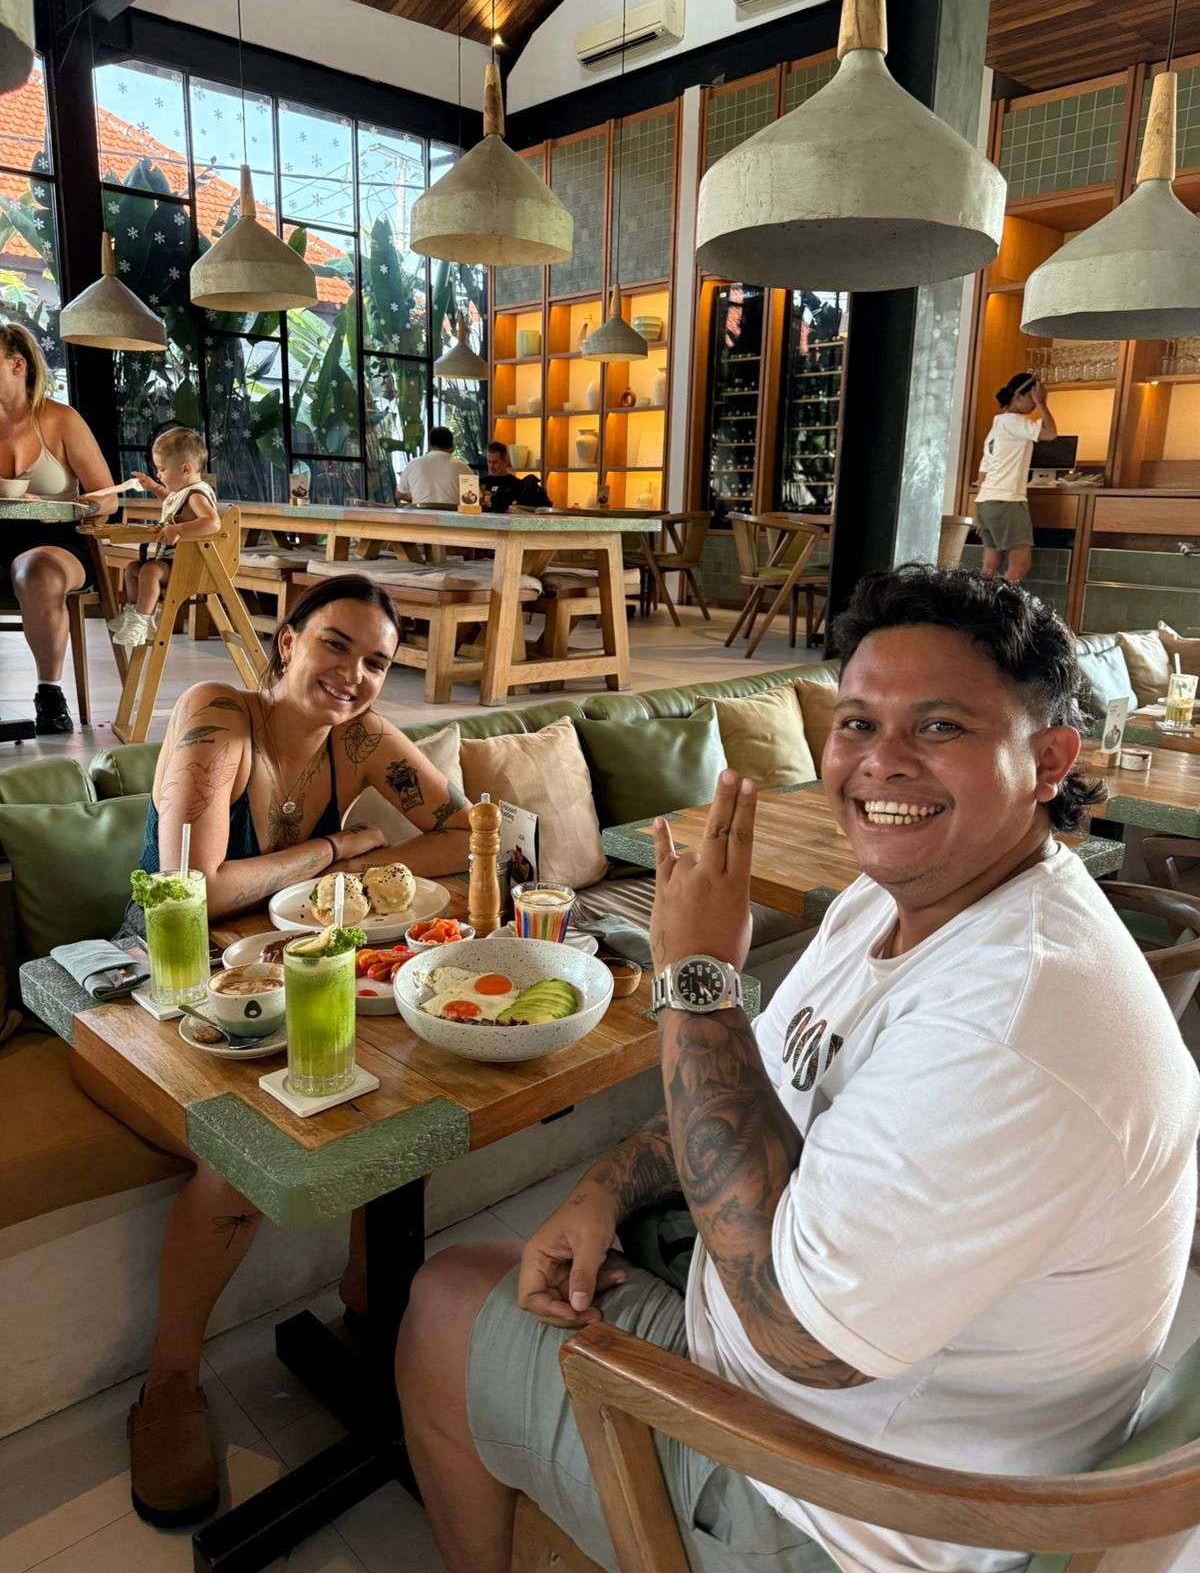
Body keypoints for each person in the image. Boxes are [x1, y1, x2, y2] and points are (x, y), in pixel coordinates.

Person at [397, 565, 1199, 1573]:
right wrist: (603, 1186)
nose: (881, 762)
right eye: (858, 723)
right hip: (833, 1386)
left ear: (1047, 762)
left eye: (940, 726)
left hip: (842, 1508)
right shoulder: (900, 898)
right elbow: (756, 1093)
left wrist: (695, 980)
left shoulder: (1013, 1021)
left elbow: (795, 1340)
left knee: (442, 1304)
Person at [87, 575, 470, 1527]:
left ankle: (369, 1294)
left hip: (283, 978)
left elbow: (465, 833)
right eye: (335, 644)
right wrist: (335, 853)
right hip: (159, 983)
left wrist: (362, 862)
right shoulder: (219, 715)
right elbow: (193, 885)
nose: (354, 675)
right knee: (239, 1166)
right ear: (287, 642)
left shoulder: (363, 739)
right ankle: (170, 1383)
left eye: (377, 661)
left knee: (406, 1082)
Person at [0, 322, 115, 732]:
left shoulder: (62, 420)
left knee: (37, 570)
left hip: (58, 543)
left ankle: (49, 695)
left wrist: (60, 507)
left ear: (17, 366)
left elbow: (108, 498)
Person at [107, 426, 220, 648]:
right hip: (173, 562)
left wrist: (178, 530)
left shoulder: (197, 495)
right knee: (132, 569)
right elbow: (171, 500)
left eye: (161, 469)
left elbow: (213, 522)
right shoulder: (185, 493)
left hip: (190, 564)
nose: (158, 474)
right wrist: (153, 487)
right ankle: (133, 614)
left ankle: (142, 620)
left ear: (185, 469)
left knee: (149, 571)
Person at [974, 371, 1057, 585]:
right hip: (1007, 501)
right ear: (1018, 396)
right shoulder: (1015, 422)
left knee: (989, 567)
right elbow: (1050, 433)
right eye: (1031, 396)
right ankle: (1004, 604)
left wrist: (978, 514)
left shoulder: (997, 426)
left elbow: (982, 475)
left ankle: (981, 602)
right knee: (1020, 565)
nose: (1034, 402)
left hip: (986, 502)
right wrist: (1043, 403)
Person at [394, 424, 476, 507]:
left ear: (429, 446)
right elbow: (473, 501)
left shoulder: (413, 464)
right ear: (452, 447)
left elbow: (399, 494)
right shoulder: (464, 468)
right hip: (452, 515)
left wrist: (415, 497)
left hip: (420, 514)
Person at [480, 439, 551, 512]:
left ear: (505, 461)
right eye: (489, 461)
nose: (491, 466)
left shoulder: (518, 485)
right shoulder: (481, 483)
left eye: (495, 462)